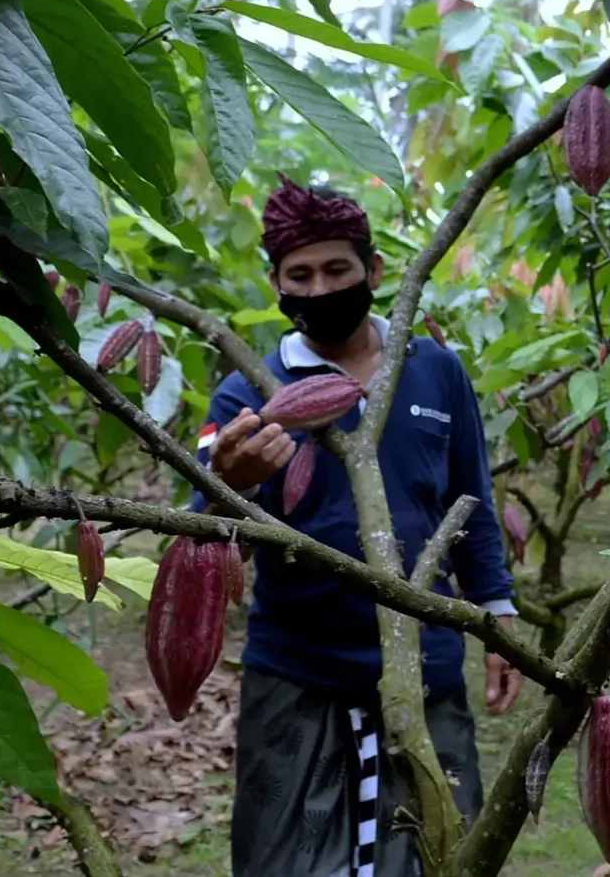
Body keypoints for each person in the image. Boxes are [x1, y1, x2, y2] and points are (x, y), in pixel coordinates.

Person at [192, 175, 521, 877]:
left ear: (372, 270)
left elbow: (472, 500)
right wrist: (229, 483)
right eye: (299, 276)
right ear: (276, 285)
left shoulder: (436, 372)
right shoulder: (246, 392)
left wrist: (498, 611)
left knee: (439, 858)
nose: (319, 288)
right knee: (283, 864)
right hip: (297, 669)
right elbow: (201, 538)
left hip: (424, 664)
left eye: (336, 269)